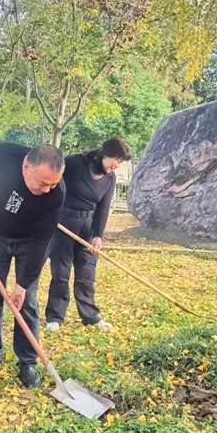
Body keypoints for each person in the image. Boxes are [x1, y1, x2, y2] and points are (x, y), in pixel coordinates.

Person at [0, 143, 66, 388]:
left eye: (53, 184)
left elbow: (43, 241)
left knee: (26, 300)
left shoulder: (57, 193)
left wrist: (23, 284)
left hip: (31, 242)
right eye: (42, 183)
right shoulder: (0, 155)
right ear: (26, 166)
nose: (48, 189)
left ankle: (27, 362)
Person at [44, 137, 131, 332]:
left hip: (88, 229)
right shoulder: (74, 163)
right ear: (105, 154)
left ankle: (90, 317)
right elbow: (52, 185)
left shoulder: (110, 178)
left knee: (86, 274)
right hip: (63, 225)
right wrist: (49, 213)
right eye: (117, 159)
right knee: (61, 273)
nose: (118, 165)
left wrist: (98, 235)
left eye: (121, 162)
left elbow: (104, 207)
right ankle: (54, 317)